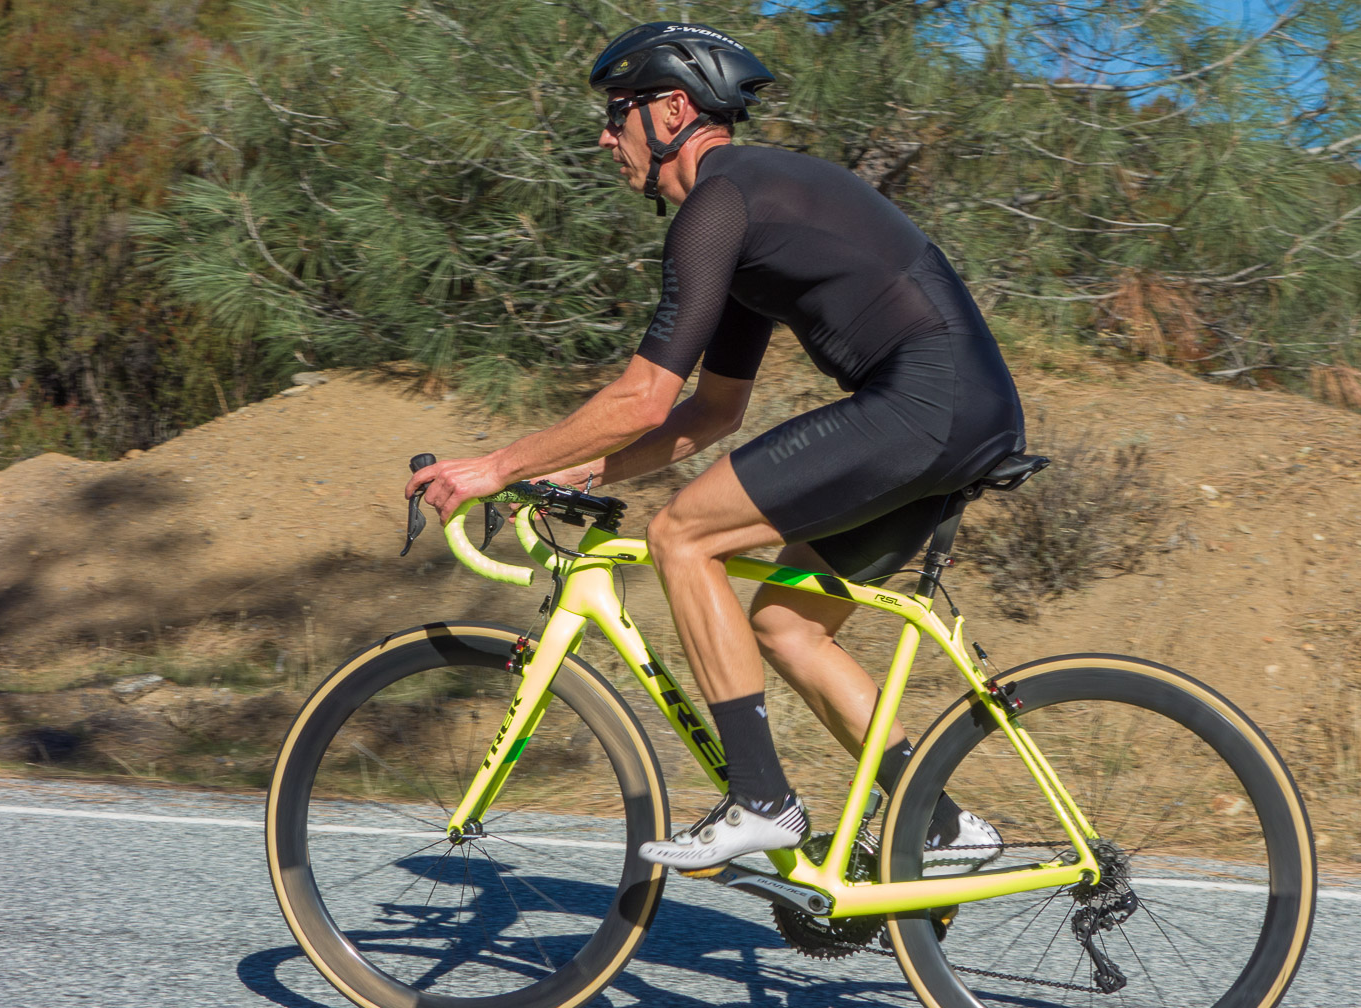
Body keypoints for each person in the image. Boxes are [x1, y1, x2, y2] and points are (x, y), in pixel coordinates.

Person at [406, 22, 1020, 874]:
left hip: (925, 405)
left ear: (671, 110)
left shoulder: (718, 204)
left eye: (616, 113)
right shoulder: (751, 209)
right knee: (787, 625)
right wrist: (578, 467)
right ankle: (939, 821)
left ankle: (762, 799)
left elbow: (643, 396)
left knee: (681, 535)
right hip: (962, 410)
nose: (606, 137)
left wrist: (496, 466)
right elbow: (711, 411)